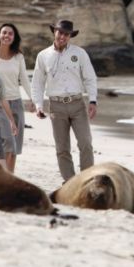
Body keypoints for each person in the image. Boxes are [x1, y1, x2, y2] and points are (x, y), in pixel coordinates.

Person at [32, 19, 98, 181]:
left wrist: (93, 100)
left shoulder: (79, 53)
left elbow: (90, 78)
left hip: (77, 104)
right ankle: (70, 182)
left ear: (70, 36)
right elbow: (37, 83)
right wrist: (39, 106)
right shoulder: (43, 55)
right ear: (54, 32)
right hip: (56, 106)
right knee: (62, 149)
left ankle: (86, 179)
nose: (63, 37)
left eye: (66, 34)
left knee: (86, 144)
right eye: (60, 32)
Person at [0, 23, 33, 172]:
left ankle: (10, 177)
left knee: (15, 146)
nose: (7, 36)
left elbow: (24, 79)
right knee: (7, 142)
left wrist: (33, 100)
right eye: (4, 32)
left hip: (16, 103)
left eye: (10, 33)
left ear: (14, 37)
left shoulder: (18, 57)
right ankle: (1, 175)